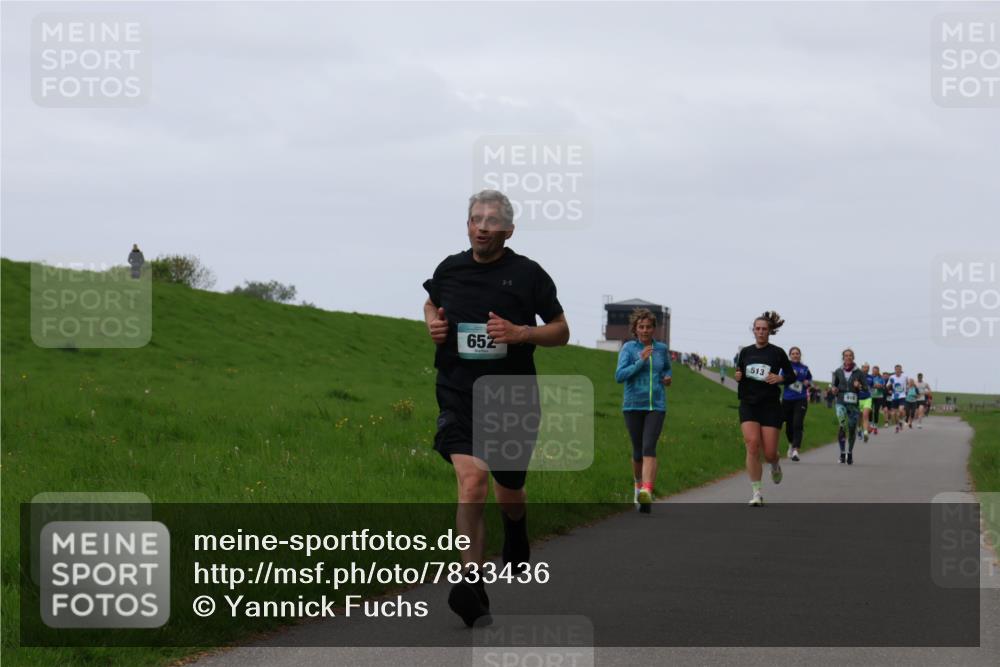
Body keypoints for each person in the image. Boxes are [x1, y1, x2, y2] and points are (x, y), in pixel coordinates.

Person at [422, 189, 569, 627]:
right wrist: (431, 320)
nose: (482, 226)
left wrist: (521, 334)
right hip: (457, 390)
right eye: (475, 219)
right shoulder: (450, 268)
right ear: (467, 225)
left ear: (508, 229)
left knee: (509, 490)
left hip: (512, 396)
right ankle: (471, 584)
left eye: (491, 221)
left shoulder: (528, 275)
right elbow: (432, 300)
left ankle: (517, 529)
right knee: (472, 481)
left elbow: (561, 330)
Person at [733, 311, 797, 506]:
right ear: (753, 331)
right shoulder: (745, 352)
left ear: (770, 332)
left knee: (769, 453)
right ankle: (757, 492)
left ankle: (775, 464)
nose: (760, 332)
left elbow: (791, 375)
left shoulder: (777, 353)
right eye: (757, 329)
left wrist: (780, 378)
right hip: (749, 404)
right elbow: (740, 373)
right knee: (752, 445)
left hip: (770, 405)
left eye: (764, 329)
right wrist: (738, 376)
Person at [615, 308, 672, 513]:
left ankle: (647, 491)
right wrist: (641, 361)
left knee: (649, 447)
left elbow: (666, 368)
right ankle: (638, 485)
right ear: (635, 329)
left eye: (649, 327)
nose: (645, 330)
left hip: (656, 405)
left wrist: (667, 377)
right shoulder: (629, 349)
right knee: (638, 452)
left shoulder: (662, 349)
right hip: (632, 405)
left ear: (654, 328)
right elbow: (619, 375)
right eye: (641, 327)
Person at [831, 349, 867, 465]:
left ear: (853, 357)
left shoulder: (859, 372)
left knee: (852, 428)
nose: (848, 357)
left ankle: (849, 452)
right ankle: (842, 453)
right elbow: (834, 386)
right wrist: (834, 390)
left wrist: (859, 386)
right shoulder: (838, 371)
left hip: (853, 404)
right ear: (843, 357)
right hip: (840, 401)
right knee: (842, 425)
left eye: (850, 355)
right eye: (846, 356)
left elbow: (866, 389)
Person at [781, 346, 812, 461]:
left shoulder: (805, 368)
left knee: (797, 424)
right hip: (787, 399)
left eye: (797, 353)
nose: (795, 355)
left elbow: (810, 380)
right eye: (793, 353)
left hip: (801, 399)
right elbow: (780, 380)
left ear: (800, 355)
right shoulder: (785, 367)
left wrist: (808, 382)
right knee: (789, 426)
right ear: (790, 356)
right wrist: (788, 376)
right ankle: (791, 443)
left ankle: (795, 450)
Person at [888, 365, 909, 433]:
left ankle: (901, 420)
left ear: (901, 370)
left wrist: (907, 390)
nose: (898, 371)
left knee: (900, 410)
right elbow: (887, 386)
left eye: (899, 369)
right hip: (894, 397)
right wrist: (890, 387)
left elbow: (908, 384)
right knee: (894, 414)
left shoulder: (905, 376)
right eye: (896, 369)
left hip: (902, 396)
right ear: (895, 370)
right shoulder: (892, 377)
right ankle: (898, 425)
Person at [857, 362, 873, 443]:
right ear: (862, 368)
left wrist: (877, 386)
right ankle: (859, 429)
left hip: (867, 398)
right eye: (865, 367)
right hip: (858, 399)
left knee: (865, 415)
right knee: (859, 417)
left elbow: (872, 387)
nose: (866, 369)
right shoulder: (857, 376)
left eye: (868, 367)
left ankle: (865, 433)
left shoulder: (871, 377)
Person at [870, 366, 886, 434]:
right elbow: (868, 385)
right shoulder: (870, 377)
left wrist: (880, 386)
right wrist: (874, 386)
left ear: (878, 371)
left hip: (879, 396)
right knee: (870, 410)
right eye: (874, 370)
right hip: (870, 396)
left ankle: (875, 426)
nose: (875, 371)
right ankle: (871, 425)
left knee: (876, 411)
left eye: (876, 370)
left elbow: (883, 386)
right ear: (872, 371)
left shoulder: (881, 378)